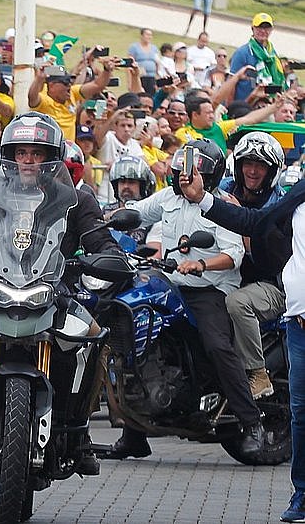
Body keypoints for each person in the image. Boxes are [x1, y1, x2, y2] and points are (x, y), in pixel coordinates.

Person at [0, 111, 117, 473]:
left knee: (94, 338)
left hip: (53, 290)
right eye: (21, 152)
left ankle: (79, 431)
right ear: (9, 155)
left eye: (37, 153)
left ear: (52, 157)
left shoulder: (77, 200)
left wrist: (108, 255)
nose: (29, 160)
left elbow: (99, 237)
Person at [104, 138, 264, 460]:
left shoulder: (223, 205)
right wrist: (102, 220)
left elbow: (233, 255)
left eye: (192, 168)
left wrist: (201, 264)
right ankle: (134, 434)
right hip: (172, 283)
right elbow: (135, 213)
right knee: (140, 336)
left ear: (210, 173)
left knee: (217, 345)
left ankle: (252, 422)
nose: (183, 173)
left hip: (210, 288)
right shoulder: (168, 198)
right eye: (181, 166)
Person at [177, 149, 305, 522]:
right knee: (299, 414)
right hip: (299, 324)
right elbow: (253, 220)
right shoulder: (298, 195)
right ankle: (302, 495)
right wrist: (202, 198)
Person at [219, 131, 287, 399]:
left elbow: (263, 256)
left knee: (238, 303)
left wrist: (238, 219)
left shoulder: (279, 205)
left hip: (271, 284)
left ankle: (258, 374)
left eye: (260, 165)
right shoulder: (221, 190)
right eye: (248, 163)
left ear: (271, 171)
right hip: (224, 276)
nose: (253, 170)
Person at [230, 12, 286, 104]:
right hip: (244, 105)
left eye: (267, 28)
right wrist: (230, 108)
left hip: (266, 104)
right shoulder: (242, 52)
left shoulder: (272, 53)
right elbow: (231, 82)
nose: (263, 31)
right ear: (253, 29)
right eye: (260, 27)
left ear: (271, 30)